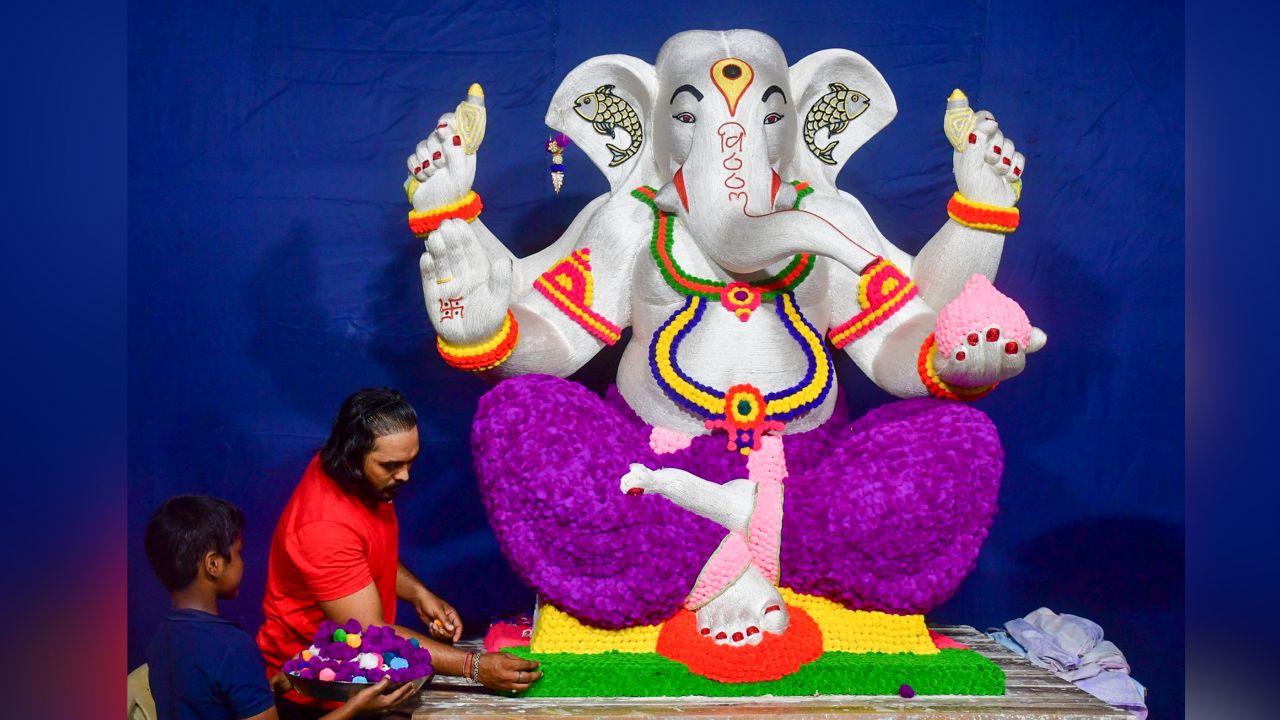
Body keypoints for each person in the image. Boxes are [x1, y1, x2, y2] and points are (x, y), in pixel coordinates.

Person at [257, 388, 539, 716]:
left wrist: (418, 593)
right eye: (391, 465)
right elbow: (368, 633)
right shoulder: (323, 526)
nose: (405, 476)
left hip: (362, 679)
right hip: (319, 693)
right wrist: (474, 666)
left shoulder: (361, 478)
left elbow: (365, 554)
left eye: (410, 461)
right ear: (350, 455)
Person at [143, 495, 415, 720]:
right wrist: (355, 708)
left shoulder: (160, 638)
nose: (242, 562)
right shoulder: (231, 647)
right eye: (238, 553)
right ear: (213, 564)